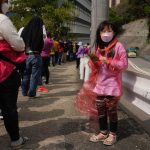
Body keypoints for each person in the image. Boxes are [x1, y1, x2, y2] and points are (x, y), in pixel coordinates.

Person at [75, 20, 128, 146]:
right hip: (100, 85)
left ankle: (113, 134)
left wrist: (108, 61)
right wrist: (94, 61)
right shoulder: (100, 48)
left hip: (113, 85)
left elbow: (124, 65)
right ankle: (103, 132)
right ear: (99, 33)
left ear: (114, 32)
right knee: (101, 110)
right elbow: (96, 67)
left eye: (109, 31)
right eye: (103, 31)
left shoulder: (119, 46)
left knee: (112, 111)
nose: (106, 34)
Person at [0, 0, 28, 148]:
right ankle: (16, 139)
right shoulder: (2, 20)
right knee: (8, 107)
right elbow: (19, 44)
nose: (7, 3)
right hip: (4, 71)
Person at [21, 16, 44, 98]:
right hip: (36, 55)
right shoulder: (38, 31)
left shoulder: (25, 31)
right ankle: (32, 93)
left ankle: (24, 92)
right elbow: (41, 45)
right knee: (34, 76)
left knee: (25, 74)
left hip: (26, 55)